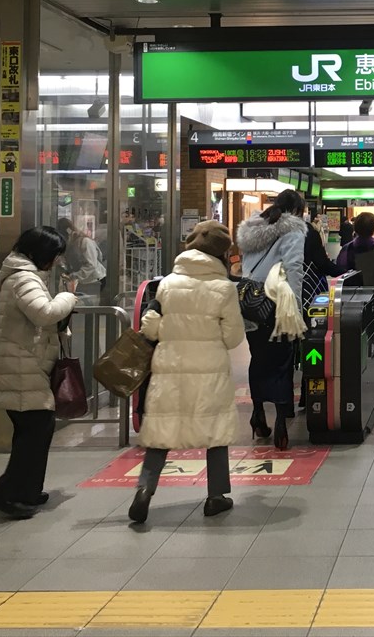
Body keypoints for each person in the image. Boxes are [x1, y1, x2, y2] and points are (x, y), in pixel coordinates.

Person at [129, 220, 245, 523]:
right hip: (209, 368)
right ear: (222, 253)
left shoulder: (168, 283)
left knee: (162, 429)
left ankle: (145, 489)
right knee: (215, 431)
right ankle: (216, 496)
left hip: (170, 366)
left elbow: (151, 328)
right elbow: (233, 337)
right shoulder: (224, 288)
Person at [0, 226, 79, 520]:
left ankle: (26, 491)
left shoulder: (24, 276)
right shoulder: (24, 278)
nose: (56, 261)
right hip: (21, 364)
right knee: (35, 430)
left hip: (25, 363)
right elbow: (44, 313)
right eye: (55, 255)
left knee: (34, 430)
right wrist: (68, 297)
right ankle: (7, 493)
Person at [237, 189, 308, 450]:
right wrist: (296, 307)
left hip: (250, 303)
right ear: (297, 210)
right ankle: (279, 421)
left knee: (258, 358)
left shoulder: (252, 228)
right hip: (277, 304)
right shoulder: (293, 230)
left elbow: (246, 266)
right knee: (281, 361)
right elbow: (294, 268)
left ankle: (258, 412)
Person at [337, 212, 374, 342]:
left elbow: (340, 272)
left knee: (354, 335)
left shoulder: (346, 249)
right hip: (373, 297)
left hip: (350, 299)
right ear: (373, 229)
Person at [56, 217, 106, 302]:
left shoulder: (85, 242)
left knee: (91, 305)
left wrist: (74, 275)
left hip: (95, 279)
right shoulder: (70, 245)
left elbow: (91, 264)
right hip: (83, 280)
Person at [302, 207, 342, 309]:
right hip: (306, 288)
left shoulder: (276, 233)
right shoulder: (309, 233)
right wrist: (342, 272)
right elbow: (322, 263)